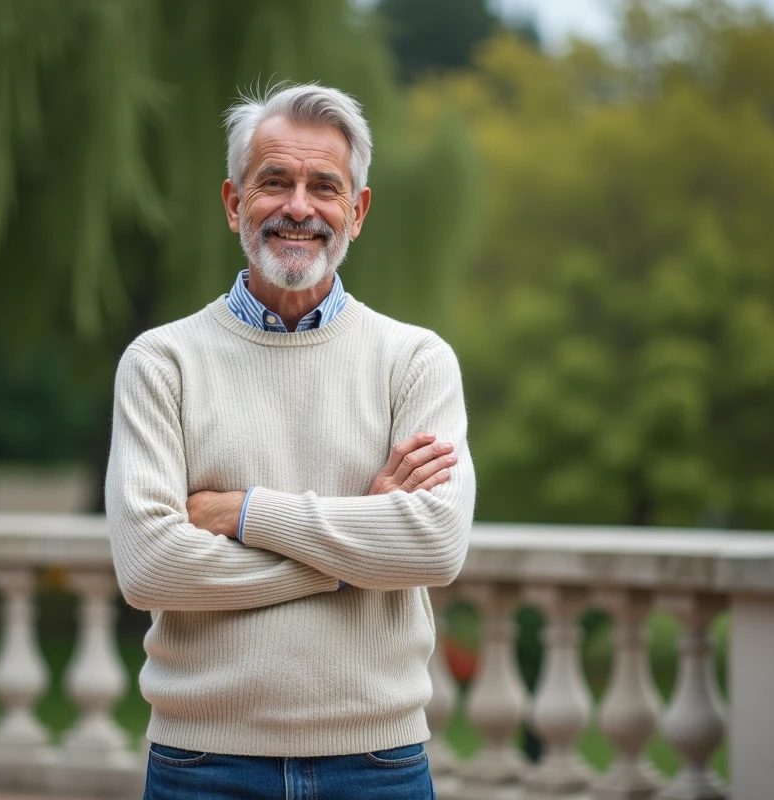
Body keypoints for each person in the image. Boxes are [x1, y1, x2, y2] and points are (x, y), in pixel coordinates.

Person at [105, 82, 476, 800]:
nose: (299, 207)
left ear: (357, 211)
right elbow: (150, 568)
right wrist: (351, 555)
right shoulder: (162, 363)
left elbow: (433, 547)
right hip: (201, 767)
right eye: (274, 181)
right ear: (233, 202)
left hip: (379, 764)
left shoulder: (415, 361)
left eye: (324, 187)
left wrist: (241, 513)